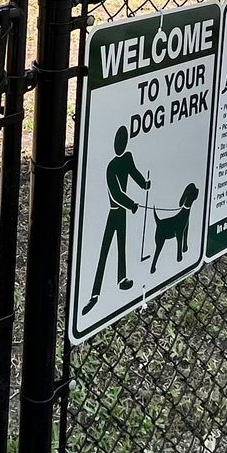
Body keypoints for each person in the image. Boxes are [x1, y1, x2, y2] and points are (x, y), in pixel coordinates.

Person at [80, 125, 149, 315]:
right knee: (104, 250)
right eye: (118, 142)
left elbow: (134, 173)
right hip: (114, 211)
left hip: (123, 212)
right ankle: (94, 293)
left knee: (121, 246)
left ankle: (122, 278)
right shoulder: (110, 166)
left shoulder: (127, 159)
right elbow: (116, 193)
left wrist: (144, 184)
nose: (120, 145)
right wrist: (131, 204)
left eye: (122, 142)